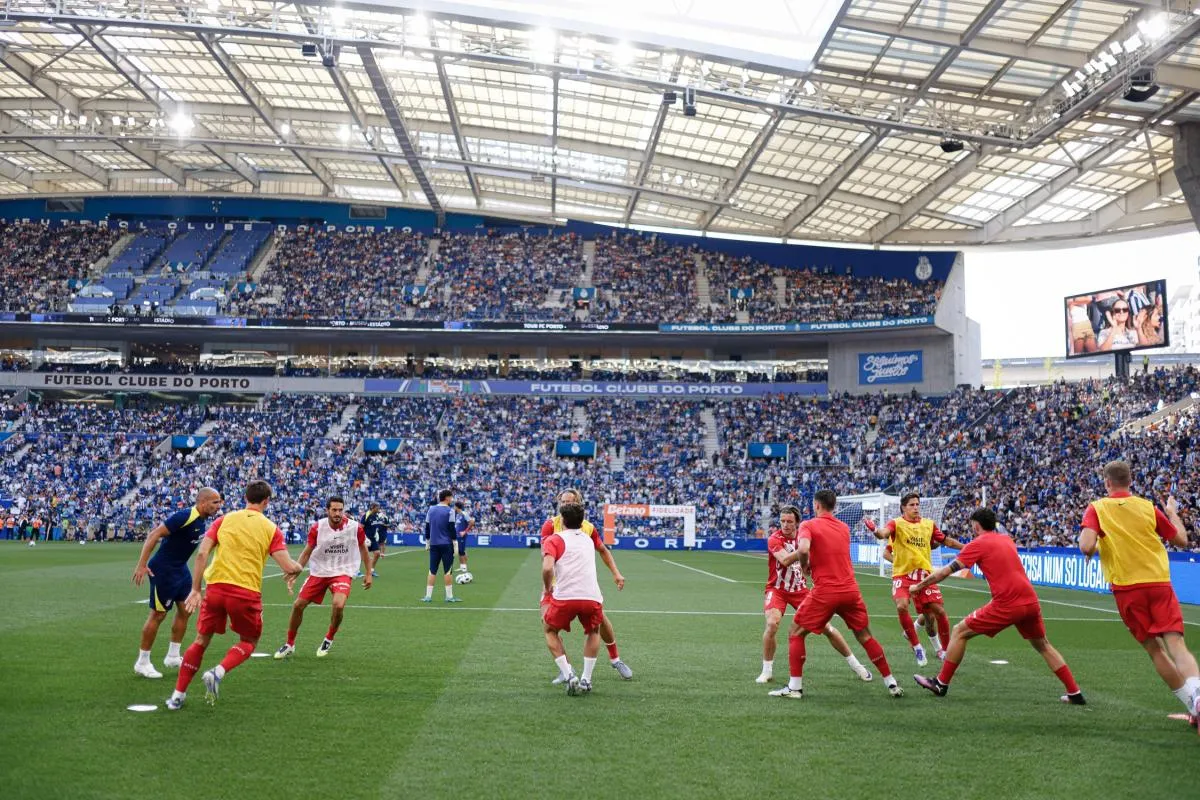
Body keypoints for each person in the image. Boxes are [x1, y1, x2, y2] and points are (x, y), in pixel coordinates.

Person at [910, 508, 1085, 705]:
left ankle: (941, 684)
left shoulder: (978, 544)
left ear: (976, 525)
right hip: (1030, 600)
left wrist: (920, 585)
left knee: (959, 631)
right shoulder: (1006, 539)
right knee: (1043, 645)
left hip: (1008, 602)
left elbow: (944, 572)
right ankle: (1074, 692)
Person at [1079, 461, 1200, 725]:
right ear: (1130, 480)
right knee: (1176, 644)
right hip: (1158, 582)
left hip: (1127, 589)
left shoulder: (1097, 508)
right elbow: (1181, 540)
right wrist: (1172, 513)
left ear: (1107, 483)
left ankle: (1194, 702)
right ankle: (1197, 700)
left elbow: (1086, 544)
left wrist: (1092, 547)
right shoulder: (1148, 507)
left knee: (1155, 650)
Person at [165, 480, 303, 710]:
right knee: (249, 641)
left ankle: (177, 696)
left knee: (201, 640)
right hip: (244, 592)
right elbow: (288, 566)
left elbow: (201, 554)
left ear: (245, 498)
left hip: (216, 588)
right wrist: (298, 568)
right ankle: (217, 672)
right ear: (266, 501)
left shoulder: (224, 519)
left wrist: (196, 589)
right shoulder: (271, 528)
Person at [768, 490, 904, 699]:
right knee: (865, 636)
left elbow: (803, 549)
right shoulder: (844, 527)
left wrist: (805, 567)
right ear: (834, 506)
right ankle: (891, 682)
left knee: (796, 632)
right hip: (851, 590)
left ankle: (795, 687)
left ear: (816, 505)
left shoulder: (809, 525)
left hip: (826, 591)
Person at [757, 505, 873, 684]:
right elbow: (785, 560)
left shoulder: (806, 535)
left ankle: (857, 665)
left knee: (827, 628)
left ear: (797, 523)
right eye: (782, 521)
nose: (785, 525)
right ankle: (767, 671)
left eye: (789, 522)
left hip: (801, 590)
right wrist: (806, 548)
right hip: (777, 589)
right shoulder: (775, 538)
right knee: (772, 624)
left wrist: (812, 549)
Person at [540, 488, 632, 682]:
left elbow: (602, 550)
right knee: (547, 623)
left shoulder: (587, 527)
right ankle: (567, 669)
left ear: (578, 503)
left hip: (581, 583)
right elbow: (546, 560)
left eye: (570, 502)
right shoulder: (550, 526)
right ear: (558, 502)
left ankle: (615, 659)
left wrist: (616, 573)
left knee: (600, 621)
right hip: (558, 584)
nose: (566, 504)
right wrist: (548, 587)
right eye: (563, 501)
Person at [130, 487, 223, 679]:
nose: (218, 506)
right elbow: (153, 535)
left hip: (180, 569)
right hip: (163, 569)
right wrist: (141, 565)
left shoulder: (202, 520)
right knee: (158, 614)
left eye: (219, 502)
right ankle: (142, 662)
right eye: (215, 502)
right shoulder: (185, 515)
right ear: (202, 502)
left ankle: (173, 656)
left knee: (187, 609)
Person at [865, 493, 964, 666]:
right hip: (902, 576)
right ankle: (917, 646)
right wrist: (874, 530)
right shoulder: (896, 524)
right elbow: (883, 535)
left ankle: (945, 651)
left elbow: (946, 541)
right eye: (912, 504)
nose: (916, 507)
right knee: (902, 605)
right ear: (903, 507)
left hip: (924, 576)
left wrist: (968, 548)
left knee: (935, 614)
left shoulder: (928, 525)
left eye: (917, 504)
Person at [274, 496, 371, 660]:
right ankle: (289, 644)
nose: (338, 513)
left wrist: (368, 573)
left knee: (338, 605)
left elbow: (363, 549)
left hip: (342, 571)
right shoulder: (318, 528)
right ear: (327, 511)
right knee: (298, 605)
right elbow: (307, 552)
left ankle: (329, 638)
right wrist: (295, 572)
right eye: (334, 510)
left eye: (340, 510)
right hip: (319, 572)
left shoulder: (355, 528)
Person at [541, 501, 605, 696]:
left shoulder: (554, 539)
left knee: (550, 630)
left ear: (562, 520)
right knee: (594, 632)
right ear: (582, 520)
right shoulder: (588, 540)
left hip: (565, 596)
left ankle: (569, 675)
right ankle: (586, 679)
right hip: (591, 596)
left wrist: (547, 588)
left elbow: (546, 567)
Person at [422, 489, 462, 603]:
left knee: (432, 570)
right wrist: (455, 543)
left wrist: (427, 541)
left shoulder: (431, 509)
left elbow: (427, 527)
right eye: (451, 497)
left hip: (434, 544)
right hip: (446, 544)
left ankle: (428, 596)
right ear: (447, 498)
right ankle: (449, 597)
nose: (452, 499)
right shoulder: (450, 511)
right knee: (448, 570)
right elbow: (451, 528)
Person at [362, 501, 388, 577]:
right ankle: (356, 571)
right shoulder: (366, 515)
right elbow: (361, 527)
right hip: (365, 539)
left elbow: (380, 525)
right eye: (377, 507)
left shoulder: (377, 516)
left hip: (373, 539)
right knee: (361, 556)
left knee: (377, 554)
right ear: (373, 507)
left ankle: (371, 570)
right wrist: (364, 537)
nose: (379, 509)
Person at [453, 500, 474, 574]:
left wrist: (465, 531)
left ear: (457, 507)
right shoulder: (458, 514)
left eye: (454, 506)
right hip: (457, 535)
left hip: (461, 536)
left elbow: (471, 522)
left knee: (461, 551)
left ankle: (464, 568)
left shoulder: (464, 513)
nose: (453, 507)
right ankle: (462, 567)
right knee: (460, 551)